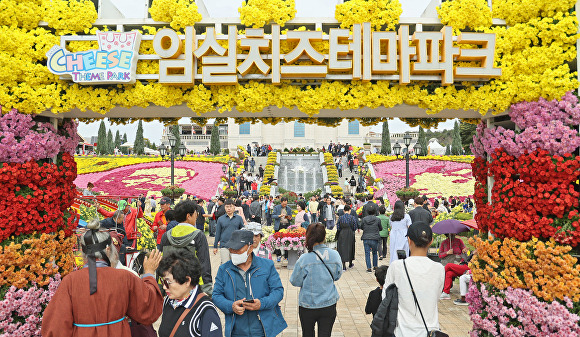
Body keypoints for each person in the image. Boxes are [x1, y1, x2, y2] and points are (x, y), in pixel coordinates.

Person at [41, 221, 164, 337]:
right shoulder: (124, 277)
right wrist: (149, 274)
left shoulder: (70, 281)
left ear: (83, 252)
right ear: (108, 249)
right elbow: (147, 307)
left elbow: (55, 325)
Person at [213, 230, 288, 337]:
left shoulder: (267, 265)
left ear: (250, 248)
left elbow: (278, 291)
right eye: (231, 249)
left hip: (263, 329)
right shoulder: (224, 270)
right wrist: (231, 306)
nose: (233, 253)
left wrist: (262, 303)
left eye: (237, 250)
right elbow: (216, 295)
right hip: (237, 330)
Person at [382, 221, 444, 337]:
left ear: (409, 240)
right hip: (430, 330)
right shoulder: (439, 269)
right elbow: (436, 296)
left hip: (403, 330)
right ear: (430, 242)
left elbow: (385, 297)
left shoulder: (397, 266)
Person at [290, 223, 342, 337]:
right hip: (329, 303)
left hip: (308, 304)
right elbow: (337, 276)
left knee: (307, 334)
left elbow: (295, 281)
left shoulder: (304, 259)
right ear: (324, 236)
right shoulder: (335, 255)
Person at [157, 250, 222, 337]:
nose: (164, 287)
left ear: (187, 281)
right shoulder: (169, 301)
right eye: (163, 281)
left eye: (168, 282)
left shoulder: (205, 310)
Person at [160, 200, 213, 296]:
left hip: (171, 285)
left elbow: (161, 261)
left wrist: (161, 286)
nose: (197, 216)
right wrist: (207, 287)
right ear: (188, 216)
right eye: (195, 214)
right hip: (192, 286)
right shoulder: (198, 235)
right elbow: (204, 262)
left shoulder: (166, 236)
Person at [214, 199, 245, 264]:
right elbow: (218, 233)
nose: (229, 208)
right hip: (224, 245)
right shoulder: (220, 219)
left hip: (236, 246)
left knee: (235, 264)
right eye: (227, 207)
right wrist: (215, 246)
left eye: (230, 206)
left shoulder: (239, 218)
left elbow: (242, 231)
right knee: (225, 264)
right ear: (224, 207)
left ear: (234, 207)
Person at [360, 207, 382, 273]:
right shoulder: (377, 219)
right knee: (375, 252)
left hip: (366, 237)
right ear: (375, 212)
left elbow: (361, 227)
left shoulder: (364, 219)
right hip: (374, 237)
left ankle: (369, 268)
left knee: (367, 253)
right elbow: (380, 228)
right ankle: (375, 266)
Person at [335, 206, 357, 270]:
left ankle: (343, 265)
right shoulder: (352, 218)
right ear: (349, 210)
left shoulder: (341, 218)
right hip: (350, 234)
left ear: (344, 211)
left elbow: (338, 227)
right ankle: (350, 263)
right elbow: (355, 227)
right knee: (351, 247)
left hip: (342, 234)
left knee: (342, 248)